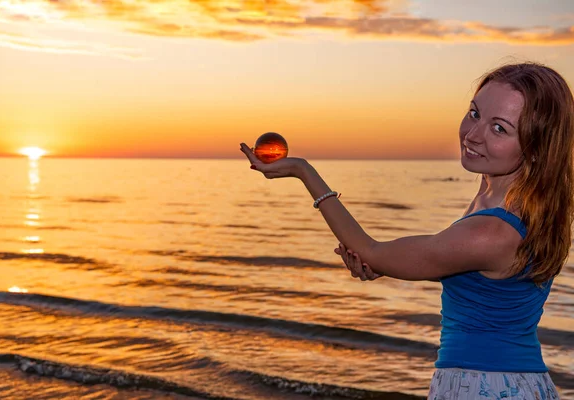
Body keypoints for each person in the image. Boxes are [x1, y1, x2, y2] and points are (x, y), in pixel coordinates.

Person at [240, 62, 574, 399]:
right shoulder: (508, 203)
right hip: (506, 380)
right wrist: (391, 267)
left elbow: (371, 251)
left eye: (499, 129)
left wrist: (303, 170)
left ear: (536, 147)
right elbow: (479, 280)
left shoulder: (492, 230)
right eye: (474, 114)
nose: (473, 135)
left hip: (486, 385)